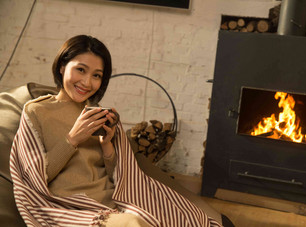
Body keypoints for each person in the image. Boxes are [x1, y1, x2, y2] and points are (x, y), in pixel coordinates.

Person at [10, 35, 231, 226]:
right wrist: (72, 138)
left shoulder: (96, 113)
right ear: (62, 66)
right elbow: (33, 178)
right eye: (80, 70)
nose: (87, 82)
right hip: (75, 207)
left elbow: (119, 174)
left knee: (188, 214)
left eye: (96, 75)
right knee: (134, 223)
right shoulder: (36, 111)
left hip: (116, 199)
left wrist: (107, 146)